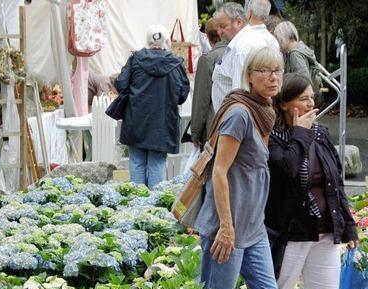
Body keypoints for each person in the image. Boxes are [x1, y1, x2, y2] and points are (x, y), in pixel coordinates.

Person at [194, 47, 284, 289]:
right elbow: (219, 171)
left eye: (277, 70)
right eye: (264, 71)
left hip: (253, 227)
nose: (273, 77)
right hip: (227, 228)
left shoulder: (265, 112)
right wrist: (226, 228)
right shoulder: (240, 114)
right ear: (249, 76)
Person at [266, 73, 358, 289]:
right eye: (303, 99)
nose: (310, 104)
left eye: (312, 98)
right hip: (291, 232)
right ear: (284, 104)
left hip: (325, 231)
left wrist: (348, 226)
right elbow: (287, 171)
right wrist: (299, 133)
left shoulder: (320, 133)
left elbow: (335, 183)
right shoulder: (272, 138)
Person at [114, 24, 189, 189]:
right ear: (166, 41)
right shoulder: (176, 63)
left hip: (136, 120)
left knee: (136, 163)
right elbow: (182, 95)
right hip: (163, 122)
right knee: (157, 165)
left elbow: (120, 84)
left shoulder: (135, 59)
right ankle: (154, 207)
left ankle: (137, 206)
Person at [212, 0, 280, 112]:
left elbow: (240, 93)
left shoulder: (242, 47)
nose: (219, 32)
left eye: (223, 26)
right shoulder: (265, 41)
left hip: (236, 121)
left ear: (240, 20)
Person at [191, 18, 228, 147]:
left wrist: (195, 133)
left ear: (207, 36)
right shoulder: (237, 53)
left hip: (214, 125)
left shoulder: (207, 59)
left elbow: (201, 99)